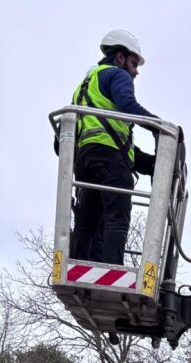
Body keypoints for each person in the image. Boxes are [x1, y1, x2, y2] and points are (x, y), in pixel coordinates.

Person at [69, 30, 159, 266]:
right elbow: (127, 105)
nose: (136, 71)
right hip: (110, 163)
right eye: (134, 63)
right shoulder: (118, 75)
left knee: (87, 223)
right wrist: (158, 126)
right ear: (120, 57)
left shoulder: (83, 88)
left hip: (85, 162)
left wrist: (150, 164)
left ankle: (78, 268)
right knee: (117, 218)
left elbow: (76, 139)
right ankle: (112, 271)